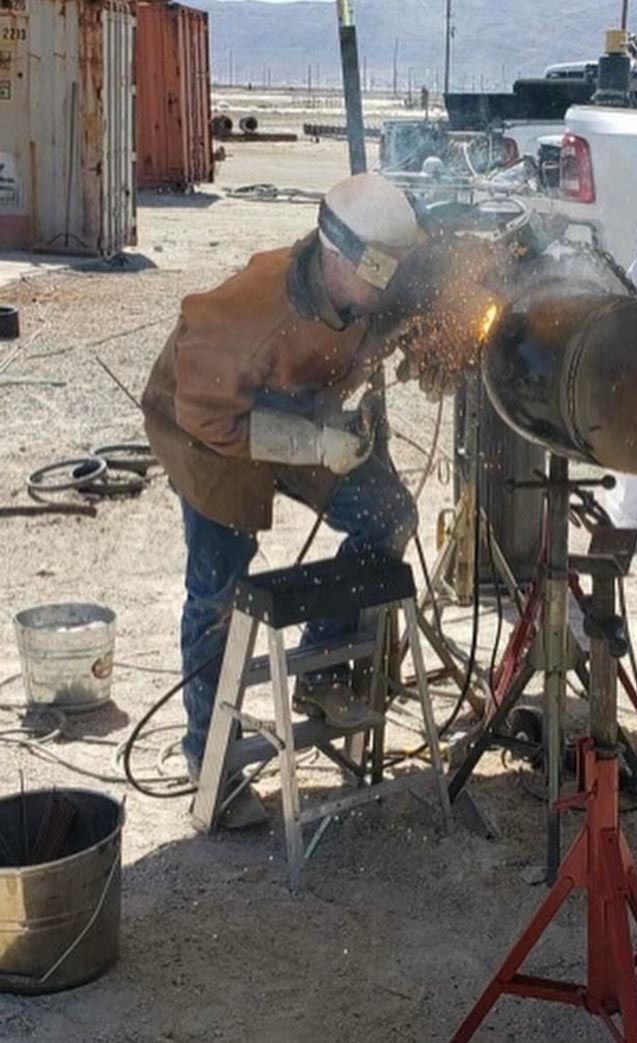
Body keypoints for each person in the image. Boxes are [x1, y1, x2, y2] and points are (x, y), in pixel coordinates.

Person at [142, 174, 504, 824]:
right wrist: (311, 443)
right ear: (337, 258)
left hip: (301, 409)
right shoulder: (246, 312)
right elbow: (209, 416)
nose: (388, 292)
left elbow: (440, 277)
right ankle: (211, 763)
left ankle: (324, 672)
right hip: (209, 428)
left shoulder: (370, 282)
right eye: (379, 278)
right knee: (218, 589)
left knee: (387, 516)